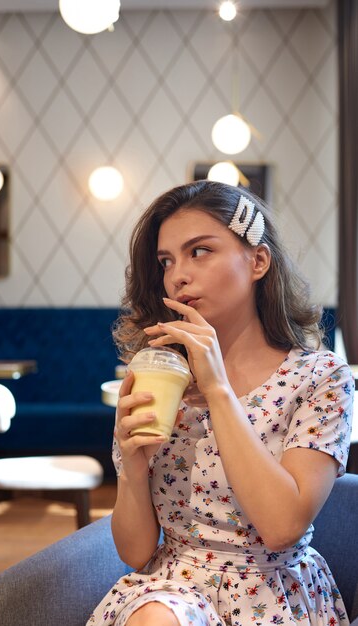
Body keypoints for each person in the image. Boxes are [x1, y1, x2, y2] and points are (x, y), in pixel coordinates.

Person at [87, 180, 353, 626]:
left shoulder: (320, 377)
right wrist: (132, 470)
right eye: (166, 261)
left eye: (200, 251)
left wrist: (218, 390)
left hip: (272, 596)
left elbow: (282, 527)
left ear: (258, 260)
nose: (178, 275)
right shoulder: (159, 376)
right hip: (168, 591)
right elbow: (134, 553)